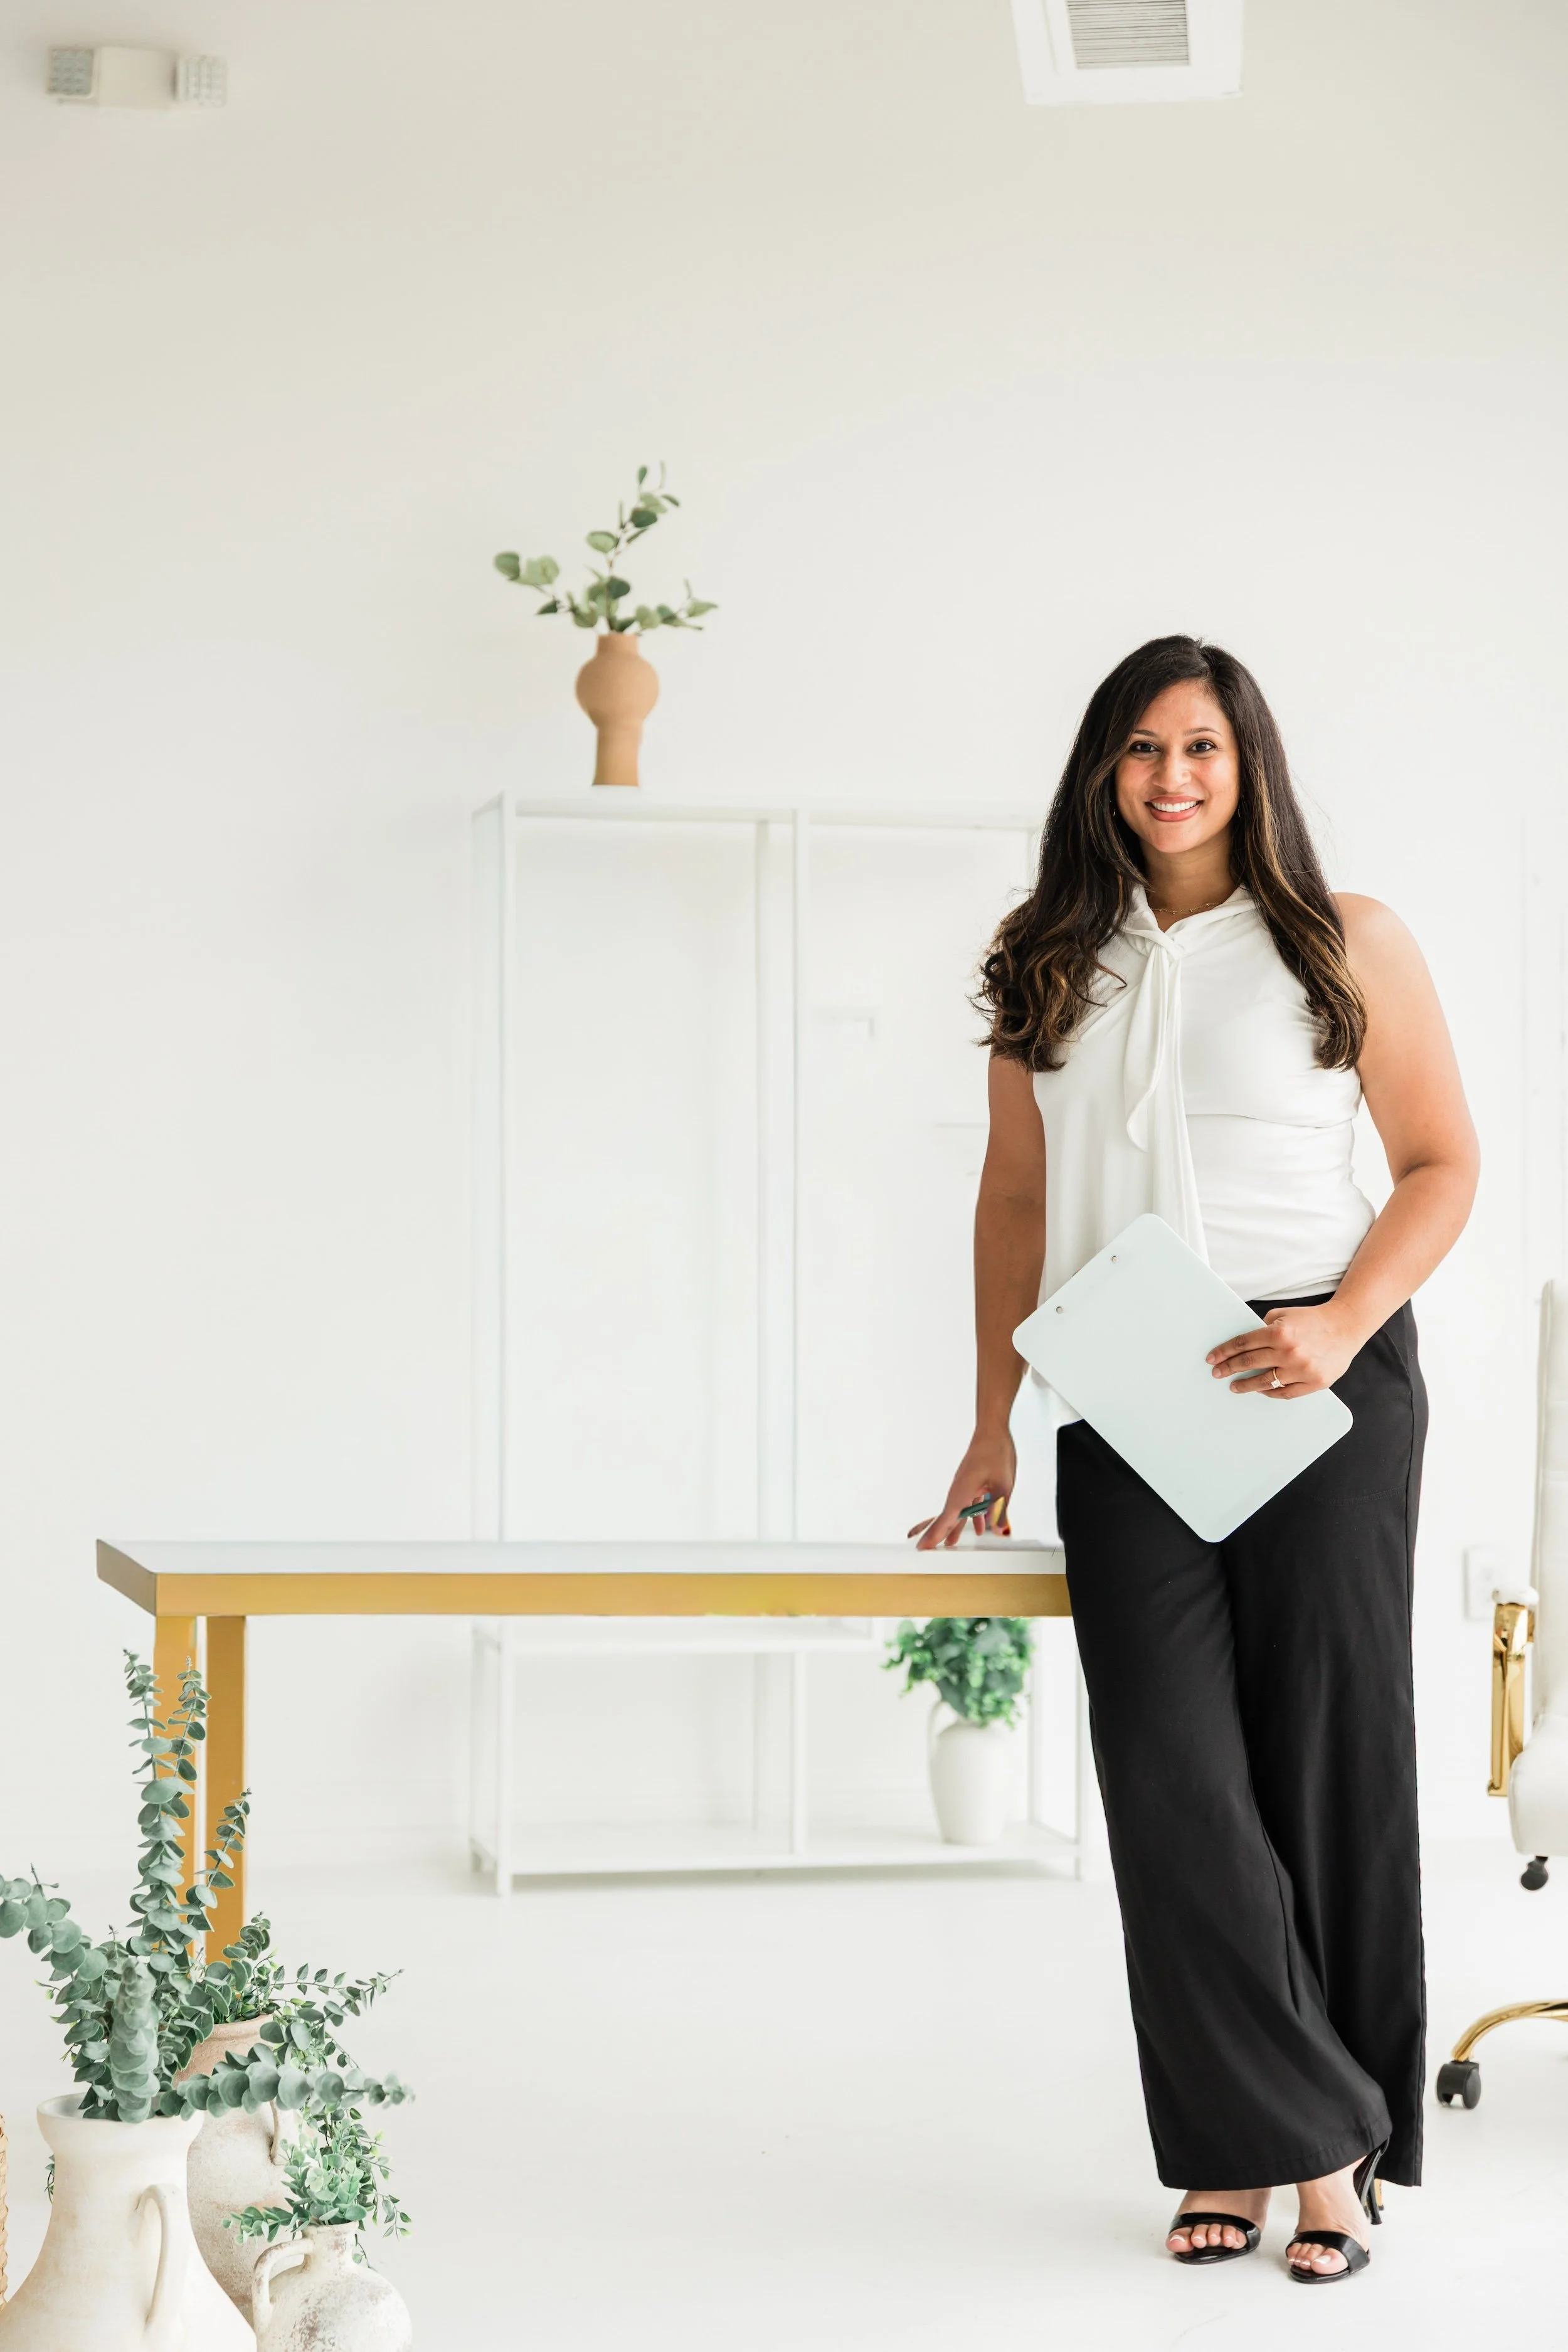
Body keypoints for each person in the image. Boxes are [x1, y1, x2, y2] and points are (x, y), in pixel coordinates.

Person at [913, 636, 1478, 2284]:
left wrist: (1338, 1318)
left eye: (1201, 748)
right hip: (1127, 1371)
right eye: (1140, 747)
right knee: (1166, 1775)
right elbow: (1014, 1199)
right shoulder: (1043, 957)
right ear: (1100, 767)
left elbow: (1442, 1162)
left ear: (1249, 765)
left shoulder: (1340, 938)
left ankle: (1297, 2156)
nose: (1170, 776)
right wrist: (987, 1420)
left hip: (1316, 1362)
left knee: (1325, 1752)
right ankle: (1291, 2129)